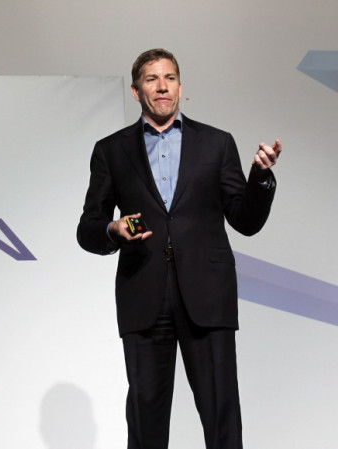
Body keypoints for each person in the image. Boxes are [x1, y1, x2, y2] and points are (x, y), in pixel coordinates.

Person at [76, 48, 281, 449]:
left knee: (222, 416)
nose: (162, 86)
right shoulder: (111, 150)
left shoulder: (217, 144)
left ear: (181, 88)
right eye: (151, 79)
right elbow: (88, 228)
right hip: (143, 297)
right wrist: (114, 230)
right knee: (146, 421)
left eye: (169, 78)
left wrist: (260, 178)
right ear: (137, 92)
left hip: (207, 296)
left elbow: (246, 221)